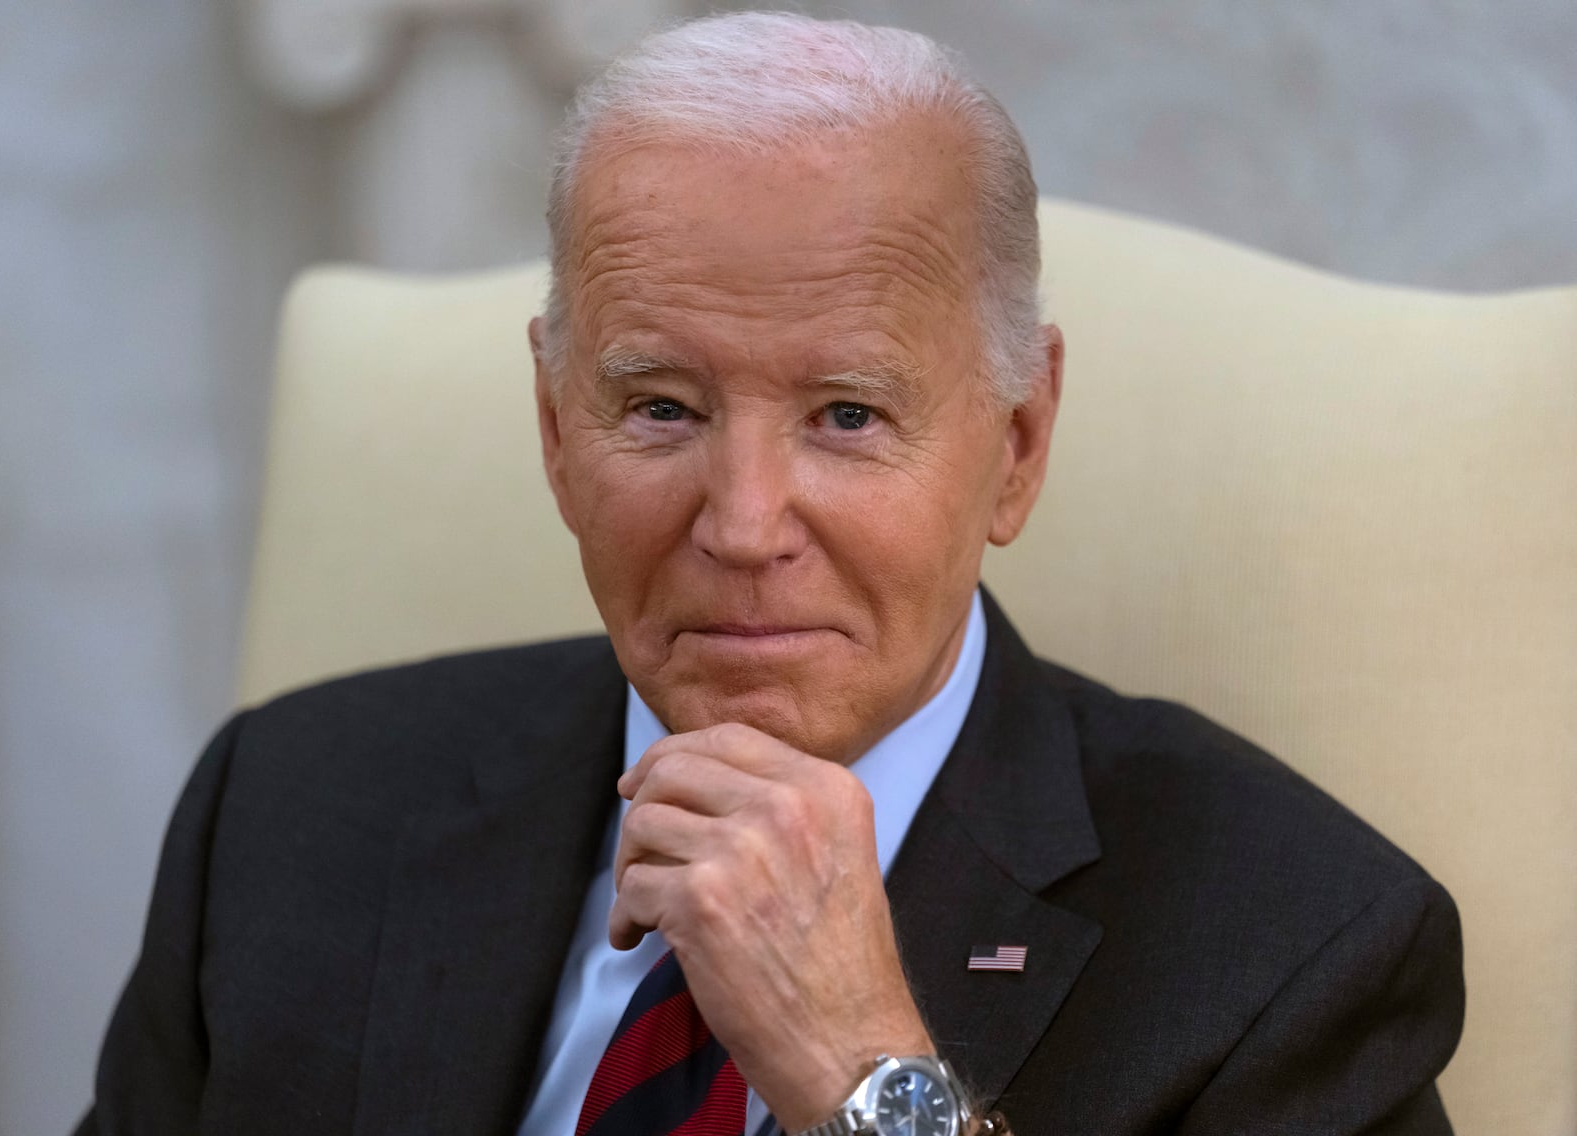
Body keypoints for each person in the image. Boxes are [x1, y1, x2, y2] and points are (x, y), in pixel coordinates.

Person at [77, 12, 1464, 1136]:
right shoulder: (287, 812)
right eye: (662, 409)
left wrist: (865, 1076)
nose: (743, 525)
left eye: (848, 416)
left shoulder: (1297, 949)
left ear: (1020, 446)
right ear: (558, 434)